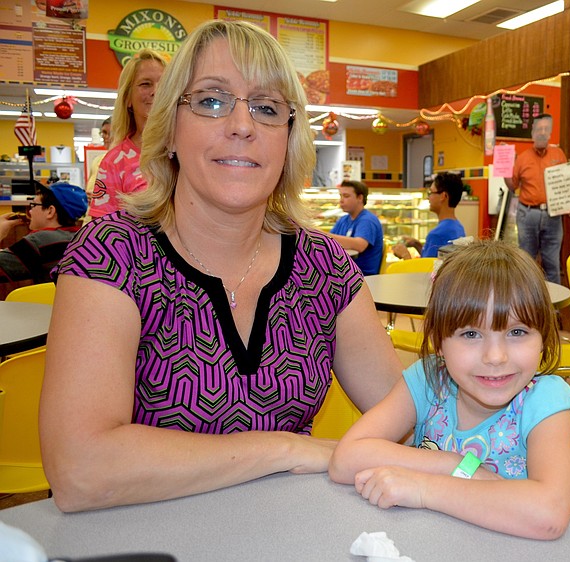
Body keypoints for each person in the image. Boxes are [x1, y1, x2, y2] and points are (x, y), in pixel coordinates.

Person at [39, 19, 402, 512]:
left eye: (267, 107)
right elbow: (80, 470)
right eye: (212, 100)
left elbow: (407, 415)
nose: (243, 125)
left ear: (288, 140)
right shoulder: (110, 255)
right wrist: (285, 447)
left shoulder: (326, 267)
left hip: (293, 534)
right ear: (169, 129)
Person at [329, 240, 570, 540]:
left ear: (543, 338)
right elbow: (345, 459)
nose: (496, 357)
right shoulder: (428, 381)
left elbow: (548, 515)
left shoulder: (546, 400)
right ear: (439, 342)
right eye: (471, 333)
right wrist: (455, 464)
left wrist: (424, 487)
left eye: (517, 332)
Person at [87, 49, 168, 220]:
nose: (156, 91)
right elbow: (103, 232)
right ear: (128, 99)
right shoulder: (114, 162)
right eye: (146, 84)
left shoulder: (189, 148)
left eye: (165, 84)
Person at [506, 113, 567, 284]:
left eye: (546, 129)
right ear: (532, 133)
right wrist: (504, 168)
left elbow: (566, 184)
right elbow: (512, 185)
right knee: (526, 262)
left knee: (552, 264)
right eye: (538, 129)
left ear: (550, 133)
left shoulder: (559, 155)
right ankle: (526, 306)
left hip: (553, 215)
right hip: (527, 214)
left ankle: (553, 309)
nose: (542, 132)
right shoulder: (523, 158)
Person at [0, 182, 88, 284]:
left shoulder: (39, 241)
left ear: (50, 211)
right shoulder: (83, 238)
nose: (30, 211)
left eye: (33, 205)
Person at [393, 172, 466, 259]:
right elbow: (436, 261)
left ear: (443, 196)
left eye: (431, 193)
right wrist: (418, 245)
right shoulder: (458, 227)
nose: (428, 198)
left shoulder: (437, 234)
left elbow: (424, 271)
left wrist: (405, 255)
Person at [328, 180, 384, 275]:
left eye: (346, 196)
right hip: (344, 272)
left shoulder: (367, 220)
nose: (341, 200)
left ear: (360, 198)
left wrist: (324, 235)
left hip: (361, 277)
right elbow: (328, 242)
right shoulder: (343, 220)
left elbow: (360, 245)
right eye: (340, 196)